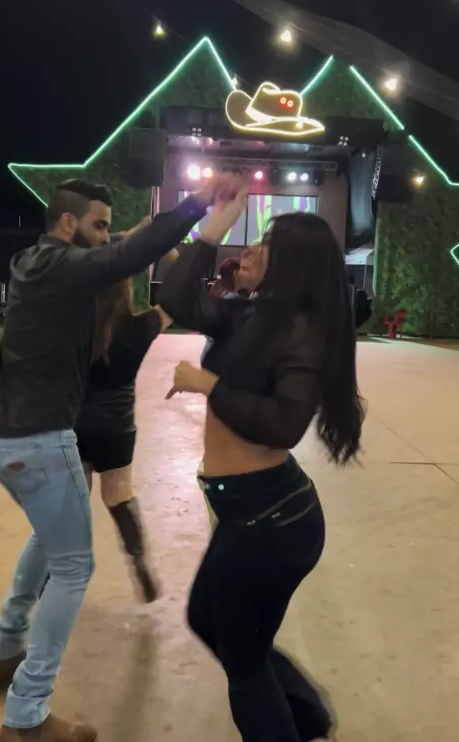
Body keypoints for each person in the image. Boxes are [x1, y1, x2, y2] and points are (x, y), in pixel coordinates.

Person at [0, 176, 235, 742]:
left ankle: (6, 646)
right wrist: (200, 208)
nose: (106, 236)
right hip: (41, 441)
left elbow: (118, 249)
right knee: (74, 567)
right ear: (68, 223)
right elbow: (130, 260)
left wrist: (132, 234)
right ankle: (26, 716)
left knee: (49, 538)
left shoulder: (31, 261)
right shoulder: (73, 271)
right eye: (98, 225)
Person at [158, 192, 364, 742]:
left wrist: (212, 386)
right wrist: (213, 226)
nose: (251, 247)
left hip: (272, 519)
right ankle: (306, 717)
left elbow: (284, 425)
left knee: (244, 665)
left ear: (294, 261)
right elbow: (177, 299)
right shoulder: (249, 313)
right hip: (243, 511)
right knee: (206, 620)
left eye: (267, 243)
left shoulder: (303, 330)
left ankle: (295, 720)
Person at [75, 249, 179, 603]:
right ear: (125, 290)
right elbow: (181, 300)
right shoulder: (140, 326)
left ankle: (54, 570)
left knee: (73, 500)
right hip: (116, 429)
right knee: (118, 494)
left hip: (75, 425)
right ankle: (137, 558)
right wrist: (171, 255)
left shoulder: (74, 326)